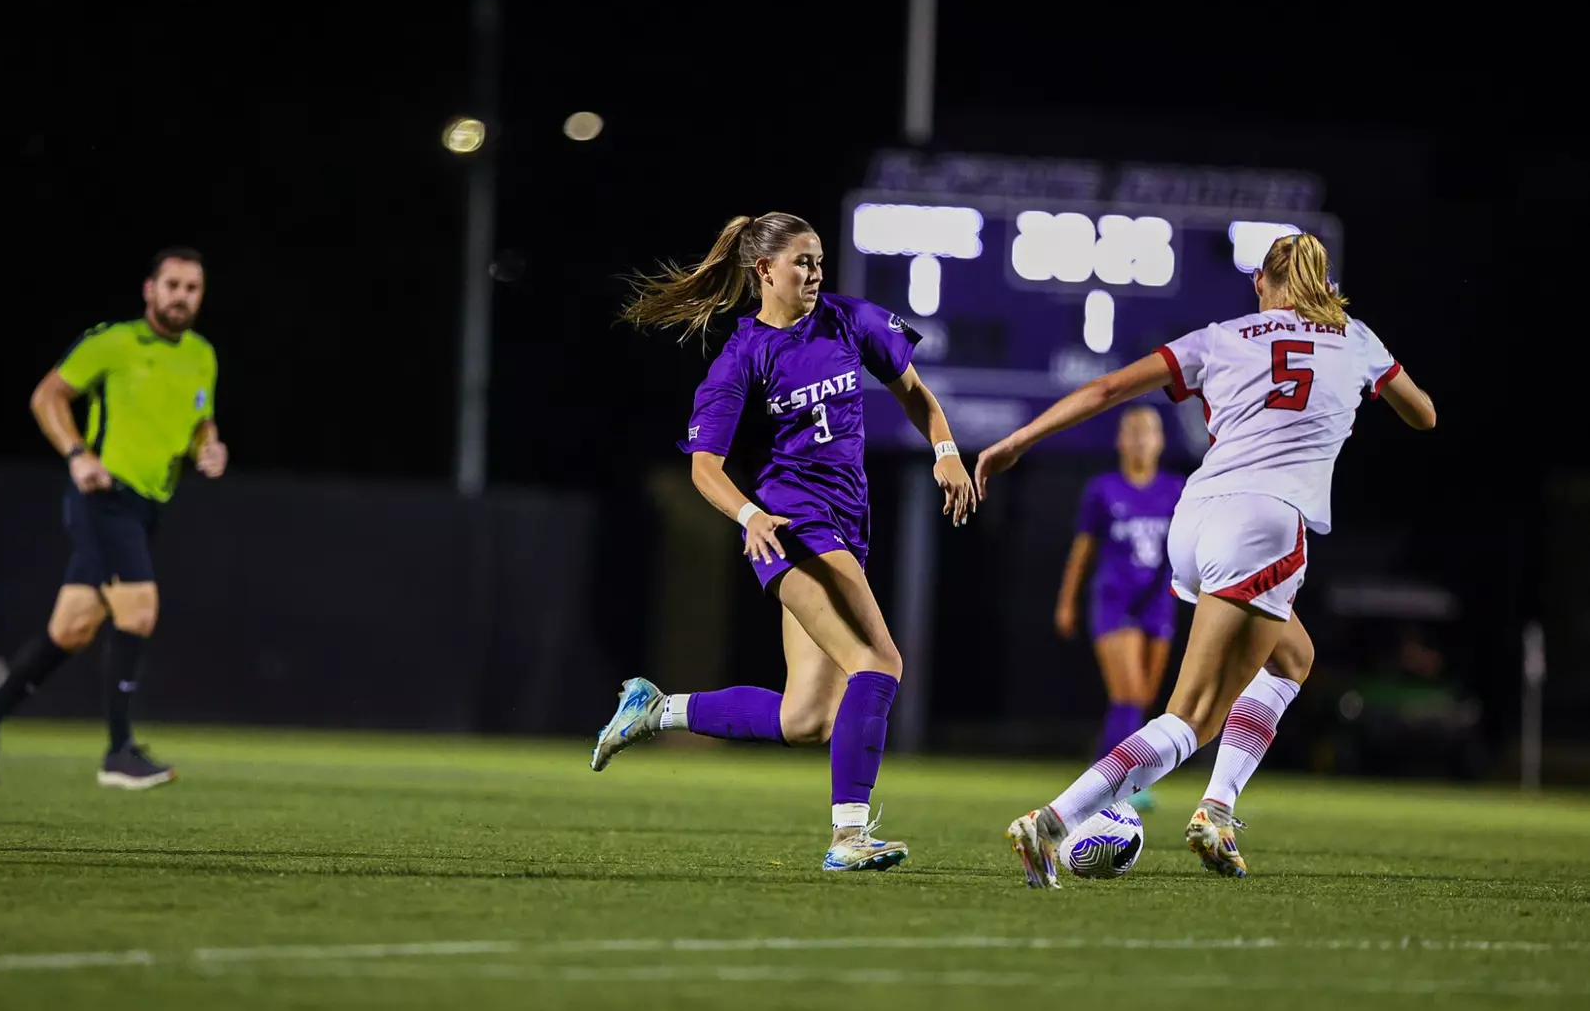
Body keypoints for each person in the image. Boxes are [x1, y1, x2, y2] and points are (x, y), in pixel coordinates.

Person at [975, 233, 1435, 888]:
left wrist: (1016, 441)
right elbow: (1424, 414)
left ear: (1260, 283)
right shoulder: (1356, 338)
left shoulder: (1221, 335)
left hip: (1194, 520)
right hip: (1265, 524)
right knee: (1191, 717)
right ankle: (1054, 820)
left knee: (1292, 657)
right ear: (1325, 284)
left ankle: (1216, 810)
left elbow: (1106, 389)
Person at [589, 212, 976, 872]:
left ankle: (657, 710)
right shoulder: (744, 354)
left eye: (819, 259)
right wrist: (749, 516)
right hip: (795, 523)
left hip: (847, 525)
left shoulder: (851, 320)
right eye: (801, 261)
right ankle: (849, 838)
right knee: (879, 664)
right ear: (764, 270)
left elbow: (917, 395)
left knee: (806, 719)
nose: (815, 271)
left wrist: (945, 450)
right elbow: (704, 468)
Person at [0, 247, 226, 790]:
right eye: (172, 285)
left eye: (192, 288)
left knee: (70, 629)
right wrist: (77, 454)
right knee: (139, 609)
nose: (181, 296)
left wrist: (208, 447)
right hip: (104, 496)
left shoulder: (202, 355)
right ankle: (118, 752)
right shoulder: (113, 342)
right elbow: (47, 395)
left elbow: (200, 423)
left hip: (147, 505)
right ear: (150, 289)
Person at [1055, 405, 1184, 810]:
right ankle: (1111, 783)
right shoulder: (1103, 489)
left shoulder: (1176, 490)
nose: (1141, 438)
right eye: (1132, 431)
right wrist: (1066, 602)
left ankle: (1111, 773)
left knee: (1142, 697)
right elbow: (1083, 549)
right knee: (1127, 693)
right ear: (1120, 441)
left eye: (1149, 431)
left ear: (1162, 441)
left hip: (1160, 603)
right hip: (1115, 601)